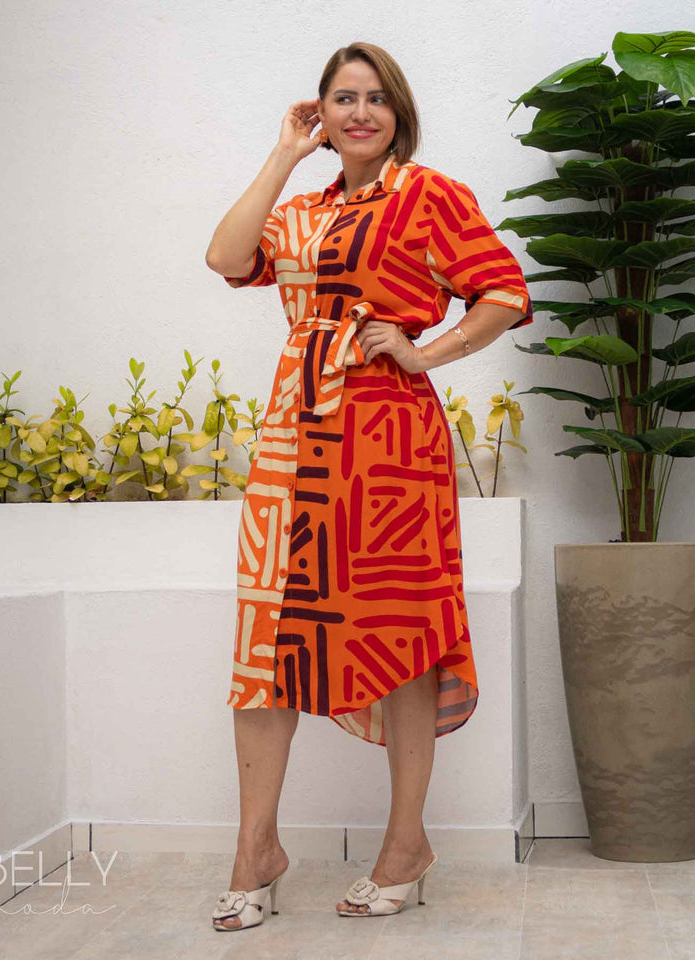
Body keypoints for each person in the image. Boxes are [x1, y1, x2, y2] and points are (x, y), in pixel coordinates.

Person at [204, 41, 533, 931]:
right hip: (293, 438)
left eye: (377, 99)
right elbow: (226, 256)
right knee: (267, 640)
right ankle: (256, 849)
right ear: (322, 112)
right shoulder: (302, 209)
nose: (360, 113)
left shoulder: (429, 196)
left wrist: (426, 352)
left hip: (388, 443)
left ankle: (404, 845)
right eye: (343, 98)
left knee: (401, 629)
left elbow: (503, 292)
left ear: (399, 115)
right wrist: (284, 154)